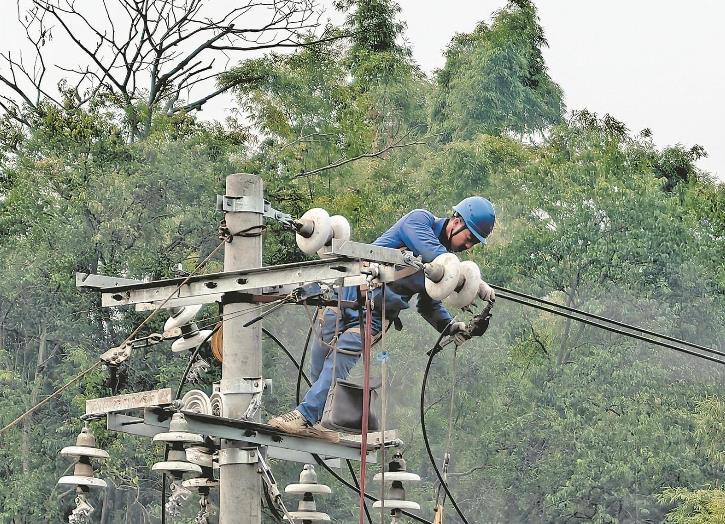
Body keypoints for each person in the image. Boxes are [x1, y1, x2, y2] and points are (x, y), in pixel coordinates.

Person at [268, 196, 496, 441]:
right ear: (456, 221)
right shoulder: (420, 221)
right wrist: (468, 279)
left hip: (374, 315)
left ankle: (304, 415)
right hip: (344, 294)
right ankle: (319, 417)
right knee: (319, 358)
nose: (469, 246)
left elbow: (429, 302)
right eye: (469, 237)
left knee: (339, 361)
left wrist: (450, 326)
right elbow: (429, 250)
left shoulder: (445, 268)